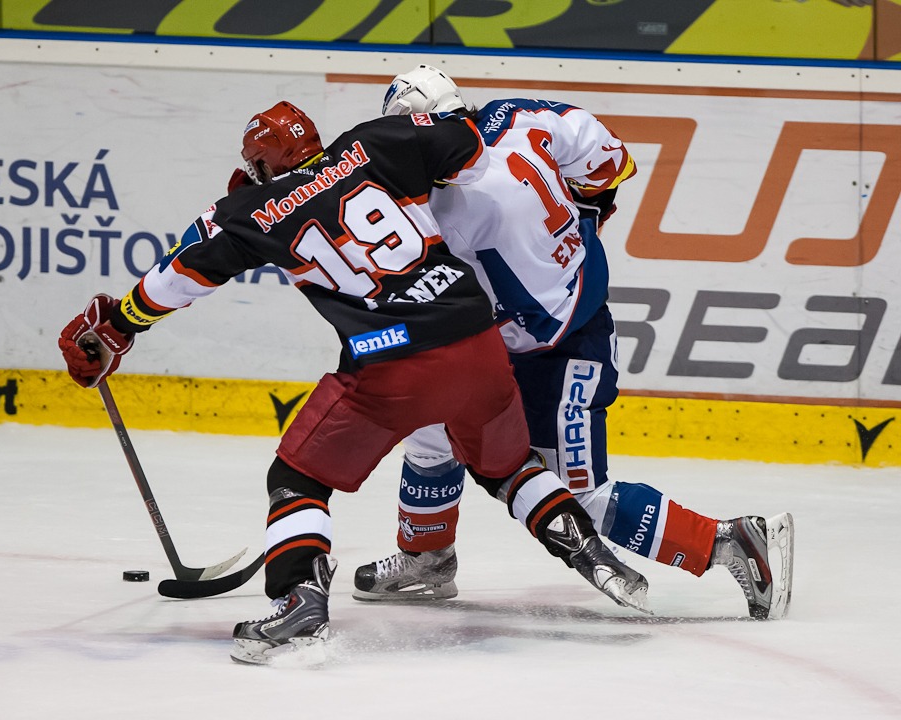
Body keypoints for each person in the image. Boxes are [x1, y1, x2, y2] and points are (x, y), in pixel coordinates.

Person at [58, 101, 650, 665]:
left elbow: (180, 275)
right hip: (477, 339)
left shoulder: (252, 210)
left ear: (261, 164)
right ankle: (590, 552)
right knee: (508, 467)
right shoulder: (377, 140)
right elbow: (469, 152)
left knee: (297, 478)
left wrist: (118, 325)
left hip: (391, 360)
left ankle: (298, 601)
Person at [354, 65, 795, 621]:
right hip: (527, 330)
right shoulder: (522, 116)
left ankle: (731, 543)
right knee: (429, 432)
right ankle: (427, 558)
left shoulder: (437, 209)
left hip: (561, 351)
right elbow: (612, 162)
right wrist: (583, 214)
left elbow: (422, 293)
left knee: (575, 493)